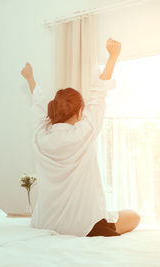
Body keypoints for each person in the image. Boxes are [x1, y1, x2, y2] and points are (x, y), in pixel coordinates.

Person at [20, 38, 140, 237]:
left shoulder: (41, 136)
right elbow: (99, 92)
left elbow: (38, 105)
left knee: (117, 215)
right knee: (134, 216)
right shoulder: (84, 132)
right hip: (84, 225)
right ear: (80, 111)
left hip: (46, 222)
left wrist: (30, 78)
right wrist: (112, 57)